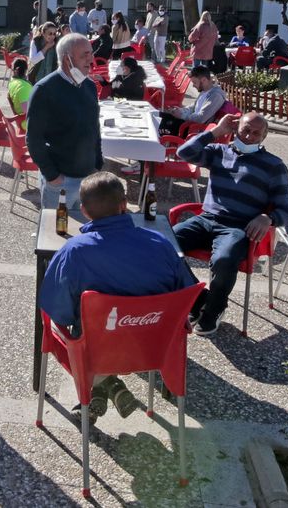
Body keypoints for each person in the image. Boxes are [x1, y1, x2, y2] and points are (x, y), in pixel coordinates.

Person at [38, 171, 196, 422]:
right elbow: (187, 294)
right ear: (124, 205)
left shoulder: (74, 252)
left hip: (98, 349)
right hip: (153, 346)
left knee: (62, 330)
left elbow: (59, 311)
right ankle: (108, 386)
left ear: (85, 211)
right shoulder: (162, 244)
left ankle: (105, 384)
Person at [174, 112, 288, 335]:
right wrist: (216, 132)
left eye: (257, 133)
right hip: (207, 219)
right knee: (163, 245)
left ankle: (215, 309)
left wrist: (268, 218)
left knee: (224, 259)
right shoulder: (220, 151)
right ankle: (198, 298)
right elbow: (184, 152)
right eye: (246, 129)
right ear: (236, 128)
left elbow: (287, 210)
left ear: (264, 137)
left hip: (238, 226)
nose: (249, 136)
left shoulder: (274, 165)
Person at [26, 32, 102, 214]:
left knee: (83, 234)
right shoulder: (45, 90)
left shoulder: (89, 86)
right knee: (55, 235)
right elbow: (33, 138)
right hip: (60, 181)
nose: (91, 60)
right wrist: (52, 175)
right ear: (67, 59)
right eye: (85, 54)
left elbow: (94, 127)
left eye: (91, 53)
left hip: (87, 177)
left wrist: (97, 163)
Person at [158, 66, 228, 136]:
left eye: (194, 82)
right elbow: (193, 107)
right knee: (160, 116)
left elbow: (201, 118)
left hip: (195, 130)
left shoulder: (215, 96)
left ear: (204, 80)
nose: (193, 86)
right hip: (190, 123)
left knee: (162, 122)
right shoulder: (204, 91)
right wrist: (181, 110)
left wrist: (182, 115)